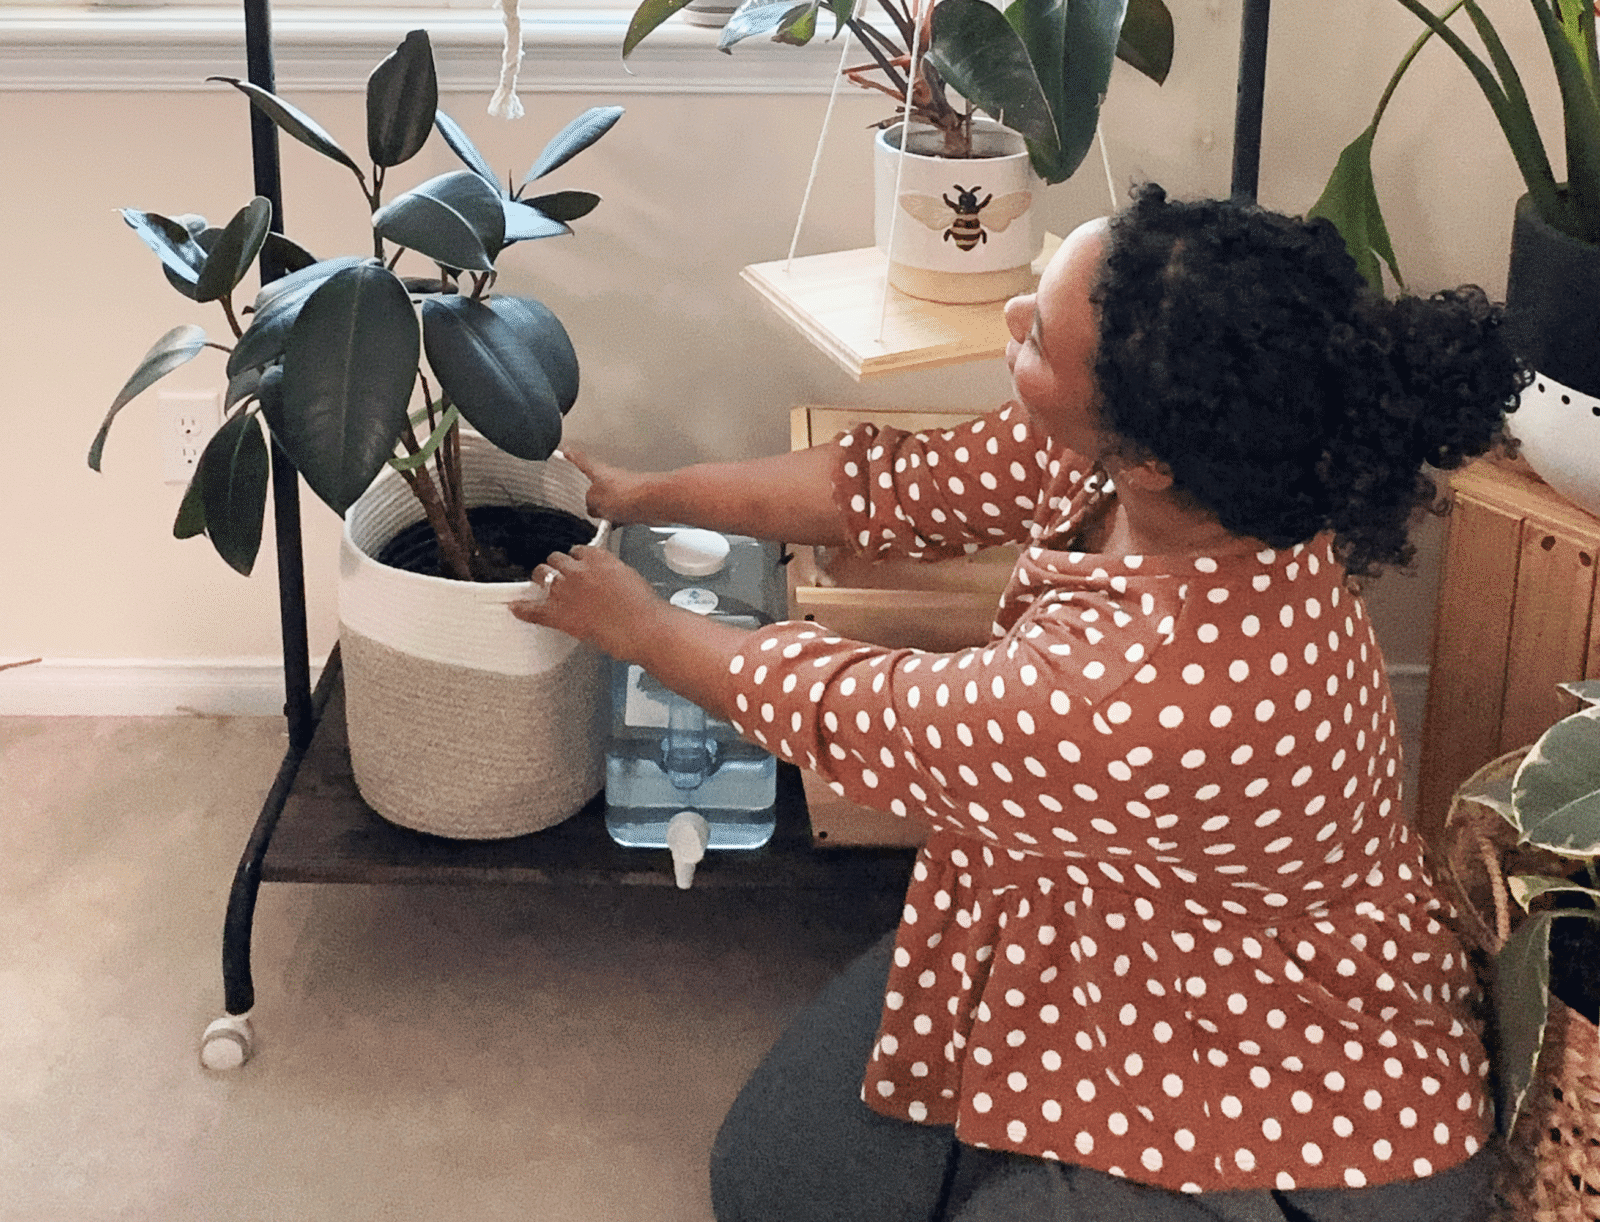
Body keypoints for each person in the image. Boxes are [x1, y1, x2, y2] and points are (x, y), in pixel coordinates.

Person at [514, 187, 1525, 1222]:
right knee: (781, 1182)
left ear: (1146, 455)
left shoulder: (1133, 691)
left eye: (1037, 335)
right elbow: (890, 490)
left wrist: (642, 632)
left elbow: (853, 707)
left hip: (1290, 1076)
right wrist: (650, 493)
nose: (1009, 324)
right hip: (1102, 911)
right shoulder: (1179, 467)